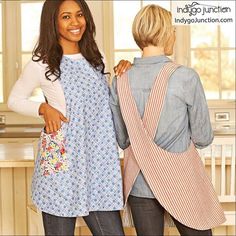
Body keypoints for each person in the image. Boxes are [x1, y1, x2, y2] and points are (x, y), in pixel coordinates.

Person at [8, 0, 131, 235]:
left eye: (79, 15)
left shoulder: (97, 57)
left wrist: (125, 70)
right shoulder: (41, 61)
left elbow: (111, 102)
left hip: (97, 162)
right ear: (52, 21)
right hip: (62, 161)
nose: (75, 22)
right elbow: (14, 100)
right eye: (66, 17)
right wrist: (44, 108)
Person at [110, 4, 226, 236]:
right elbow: (203, 138)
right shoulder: (185, 77)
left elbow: (123, 140)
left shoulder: (120, 80)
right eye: (172, 30)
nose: (174, 34)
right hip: (180, 181)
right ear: (163, 32)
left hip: (139, 183)